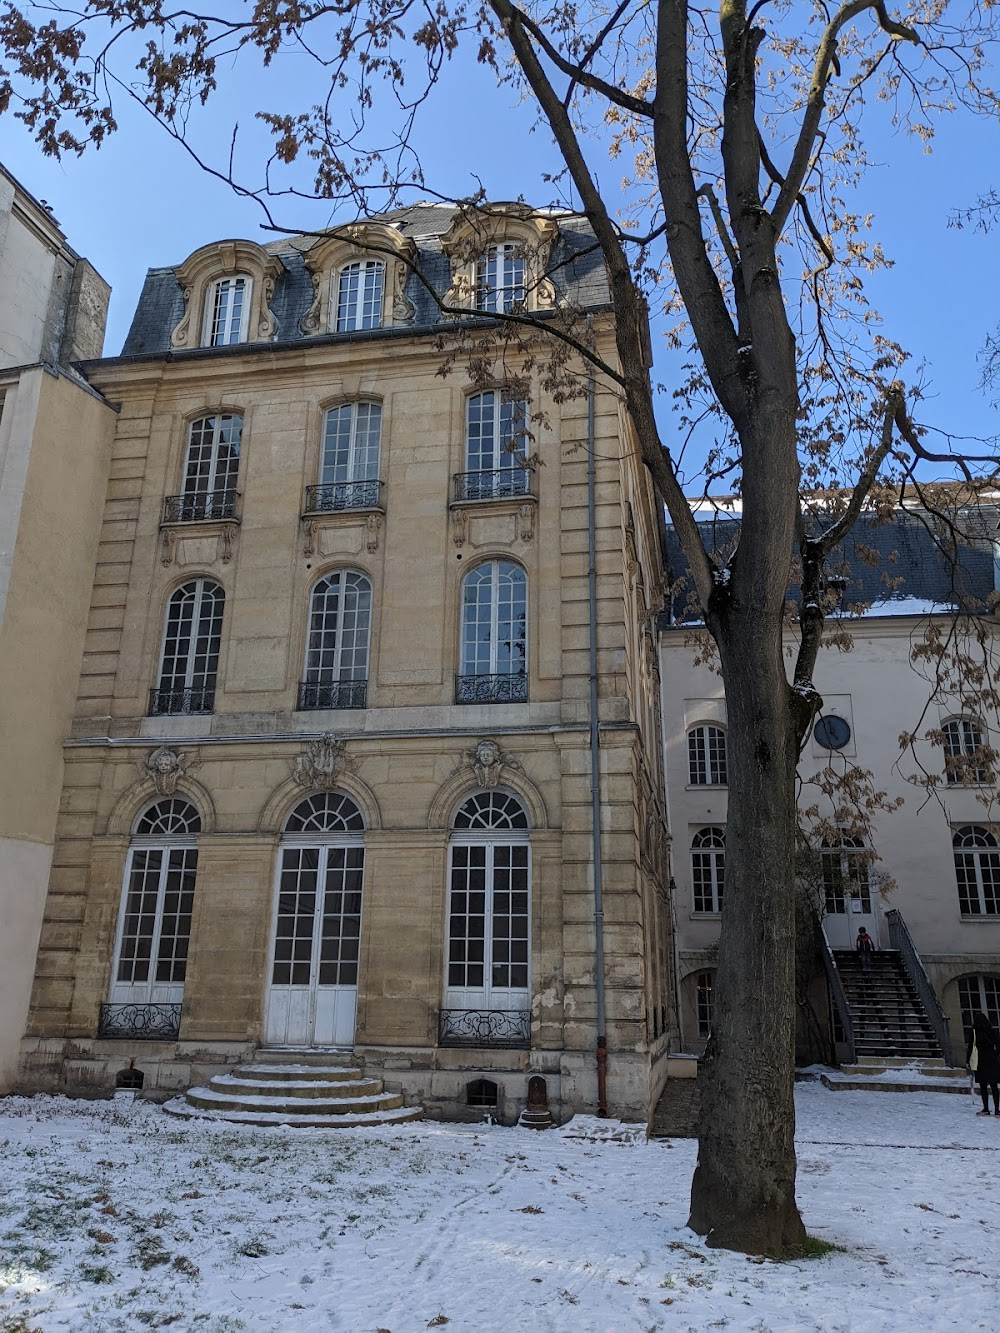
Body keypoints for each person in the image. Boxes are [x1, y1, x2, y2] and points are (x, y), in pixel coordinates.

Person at [967, 1012, 1000, 1117]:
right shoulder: (992, 1031)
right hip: (992, 1061)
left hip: (980, 1061)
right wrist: (995, 1054)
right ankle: (997, 1109)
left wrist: (968, 1061)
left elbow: (971, 1047)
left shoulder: (975, 1032)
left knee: (983, 1087)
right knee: (994, 1086)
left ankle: (986, 1108)